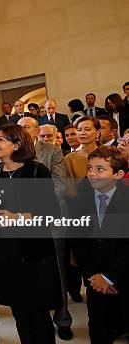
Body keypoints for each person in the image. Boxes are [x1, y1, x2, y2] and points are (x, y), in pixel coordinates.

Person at [0, 123, 62, 343]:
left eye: (0, 139)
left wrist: (16, 217)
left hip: (35, 255)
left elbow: (51, 213)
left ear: (17, 144)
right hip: (6, 255)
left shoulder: (37, 171)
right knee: (20, 314)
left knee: (39, 315)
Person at [17, 117, 76, 339]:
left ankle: (62, 319)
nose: (22, 130)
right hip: (21, 224)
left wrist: (35, 207)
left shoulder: (51, 152)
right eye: (19, 127)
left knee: (57, 270)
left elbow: (60, 185)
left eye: (26, 127)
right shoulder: (12, 154)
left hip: (50, 220)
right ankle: (36, 315)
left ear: (36, 131)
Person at [70, 147, 129, 344]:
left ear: (118, 174)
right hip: (94, 280)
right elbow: (78, 241)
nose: (92, 174)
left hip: (124, 277)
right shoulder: (79, 201)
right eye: (90, 168)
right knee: (99, 330)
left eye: (100, 169)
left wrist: (110, 277)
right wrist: (94, 276)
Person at [65, 117, 101, 197]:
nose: (82, 133)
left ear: (97, 132)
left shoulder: (107, 154)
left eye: (87, 129)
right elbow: (70, 189)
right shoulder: (70, 158)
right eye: (79, 130)